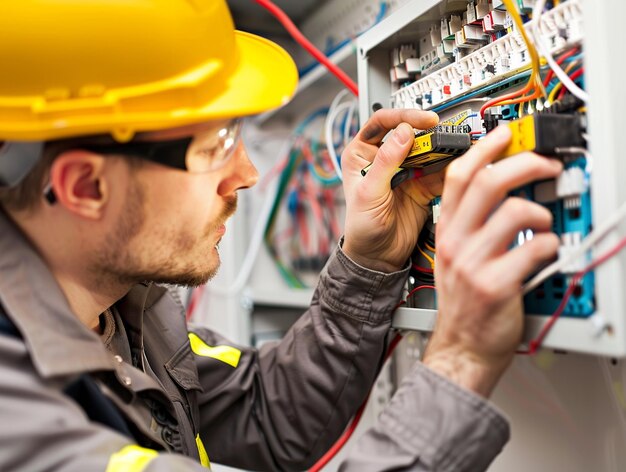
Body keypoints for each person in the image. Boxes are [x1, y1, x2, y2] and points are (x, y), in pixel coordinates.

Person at [0, 1, 562, 471]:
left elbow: (271, 412)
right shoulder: (20, 420)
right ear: (85, 187)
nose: (247, 173)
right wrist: (460, 359)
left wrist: (370, 262)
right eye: (217, 143)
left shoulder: (131, 320)